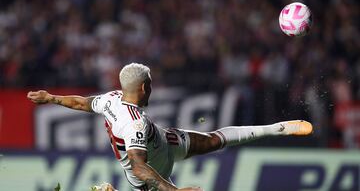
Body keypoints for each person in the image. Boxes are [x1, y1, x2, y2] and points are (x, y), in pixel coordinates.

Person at [27, 63, 313, 191]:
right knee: (214, 140)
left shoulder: (111, 98)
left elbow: (82, 103)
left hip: (162, 140)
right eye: (151, 84)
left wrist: (50, 97)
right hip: (149, 170)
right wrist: (172, 190)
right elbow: (139, 167)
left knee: (214, 140)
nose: (153, 88)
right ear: (143, 87)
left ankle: (277, 128)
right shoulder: (134, 123)